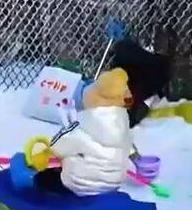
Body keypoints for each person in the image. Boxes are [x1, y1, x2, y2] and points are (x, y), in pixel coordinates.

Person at [31, 68, 134, 196]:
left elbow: (57, 147)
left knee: (41, 179)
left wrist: (46, 149)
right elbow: (129, 147)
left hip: (80, 185)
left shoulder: (83, 121)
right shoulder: (123, 121)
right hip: (113, 185)